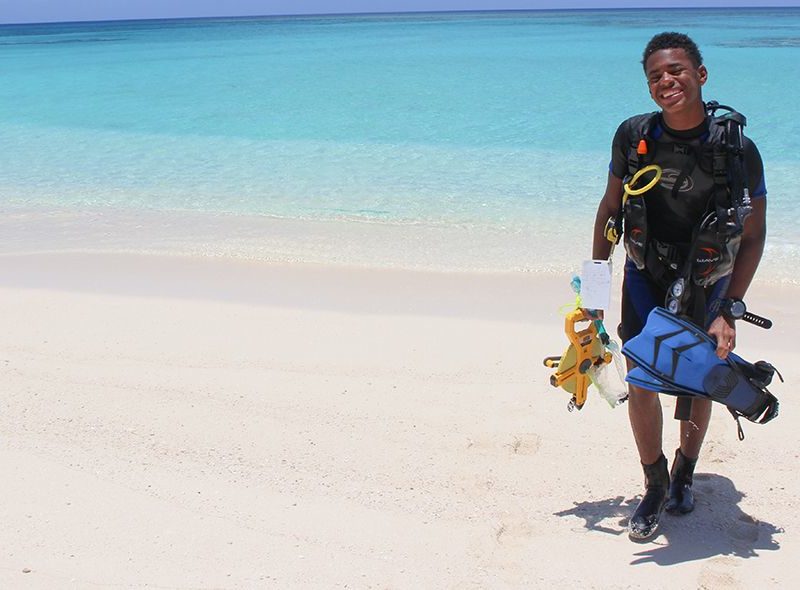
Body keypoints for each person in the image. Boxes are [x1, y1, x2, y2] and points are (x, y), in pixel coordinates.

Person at [590, 32, 767, 542]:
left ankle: (686, 473)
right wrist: (594, 288)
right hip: (645, 273)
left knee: (699, 379)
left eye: (677, 71)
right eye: (655, 76)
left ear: (701, 75)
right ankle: (654, 481)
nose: (666, 81)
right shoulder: (632, 136)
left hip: (709, 279)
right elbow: (608, 210)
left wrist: (729, 309)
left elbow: (753, 237)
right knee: (642, 379)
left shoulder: (737, 149)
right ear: (649, 87)